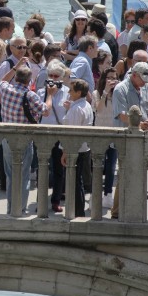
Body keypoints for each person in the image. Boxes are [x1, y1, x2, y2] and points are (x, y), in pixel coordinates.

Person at [110, 62, 148, 219]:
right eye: (143, 78)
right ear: (134, 75)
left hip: (144, 139)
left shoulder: (147, 88)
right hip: (126, 139)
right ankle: (116, 212)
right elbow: (121, 115)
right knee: (124, 175)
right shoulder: (120, 89)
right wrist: (140, 124)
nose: (145, 82)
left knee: (139, 175)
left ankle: (132, 209)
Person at [0, 64, 43, 214]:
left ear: (15, 77)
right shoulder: (31, 95)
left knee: (10, 175)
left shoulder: (6, 89)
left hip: (7, 138)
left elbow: (2, 80)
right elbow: (46, 111)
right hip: (24, 139)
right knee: (24, 176)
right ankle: (21, 209)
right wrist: (50, 95)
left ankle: (11, 208)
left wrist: (15, 67)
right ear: (29, 81)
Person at [38, 60, 71, 212]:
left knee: (59, 170)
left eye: (56, 76)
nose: (52, 78)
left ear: (62, 77)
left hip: (60, 135)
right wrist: (48, 95)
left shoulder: (68, 92)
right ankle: (41, 200)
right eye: (50, 75)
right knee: (43, 169)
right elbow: (43, 111)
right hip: (44, 134)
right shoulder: (41, 92)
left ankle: (56, 200)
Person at [59, 79, 95, 217]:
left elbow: (71, 134)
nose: (68, 92)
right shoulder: (85, 105)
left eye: (71, 90)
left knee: (74, 183)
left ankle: (77, 212)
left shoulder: (77, 109)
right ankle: (77, 211)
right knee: (77, 181)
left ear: (78, 92)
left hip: (76, 150)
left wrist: (65, 152)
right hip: (83, 149)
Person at [93, 68, 119, 209]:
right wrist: (105, 93)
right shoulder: (97, 93)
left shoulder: (119, 93)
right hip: (100, 132)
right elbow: (98, 108)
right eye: (109, 77)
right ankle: (95, 194)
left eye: (114, 78)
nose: (111, 80)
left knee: (111, 165)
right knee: (98, 164)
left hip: (114, 133)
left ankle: (108, 194)